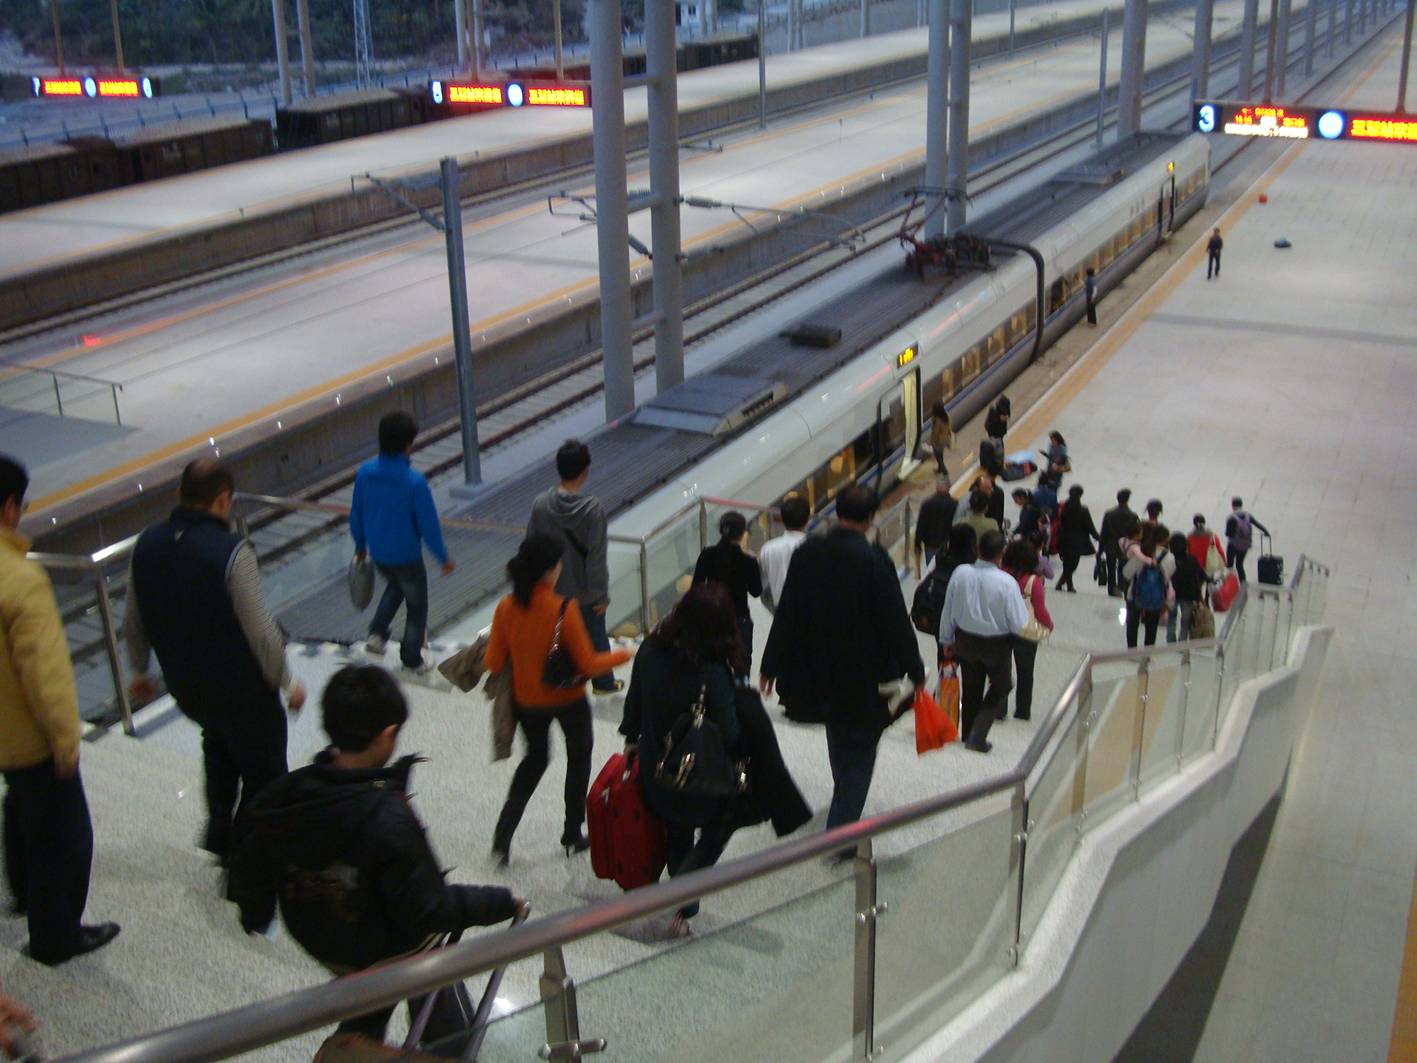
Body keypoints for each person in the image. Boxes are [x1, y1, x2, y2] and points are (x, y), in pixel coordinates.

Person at [227, 665, 523, 1058]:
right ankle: (452, 1048)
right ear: (386, 735)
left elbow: (250, 873)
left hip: (328, 942)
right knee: (430, 971)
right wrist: (500, 902)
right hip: (391, 948)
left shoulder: (291, 796)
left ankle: (358, 1039)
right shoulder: (386, 817)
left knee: (367, 990)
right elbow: (430, 910)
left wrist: (260, 913)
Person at [126, 459, 305, 865]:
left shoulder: (147, 544)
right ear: (223, 500)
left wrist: (139, 672)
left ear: (180, 496)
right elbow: (260, 631)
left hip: (189, 690)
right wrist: (287, 682)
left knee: (218, 742)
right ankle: (248, 857)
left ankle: (219, 831)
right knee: (265, 774)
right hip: (243, 693)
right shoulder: (232, 553)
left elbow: (132, 621)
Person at [0, 456, 120, 966]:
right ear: (9, 507)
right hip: (28, 738)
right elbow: (45, 678)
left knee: (21, 805)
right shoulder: (20, 580)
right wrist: (65, 742)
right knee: (66, 837)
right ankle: (54, 938)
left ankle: (24, 894)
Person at [760, 484, 924, 830]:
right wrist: (916, 669)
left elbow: (789, 611)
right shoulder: (874, 560)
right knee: (861, 752)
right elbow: (896, 620)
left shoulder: (808, 553)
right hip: (865, 676)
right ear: (870, 519)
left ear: (835, 512)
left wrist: (769, 665)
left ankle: (842, 802)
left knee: (838, 734)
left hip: (819, 670)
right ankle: (840, 831)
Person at [485, 536, 632, 865]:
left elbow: (494, 663)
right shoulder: (562, 609)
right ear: (549, 572)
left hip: (526, 702)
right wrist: (623, 654)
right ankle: (571, 833)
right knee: (578, 760)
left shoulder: (505, 607)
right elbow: (589, 665)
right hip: (568, 701)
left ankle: (502, 840)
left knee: (534, 762)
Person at [619, 584, 742, 938]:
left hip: (655, 766)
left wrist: (631, 740)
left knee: (676, 829)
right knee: (720, 822)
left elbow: (634, 705)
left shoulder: (650, 648)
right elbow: (730, 732)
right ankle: (685, 899)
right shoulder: (713, 671)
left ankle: (677, 896)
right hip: (695, 777)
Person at [350, 412, 454, 674]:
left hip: (379, 553)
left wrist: (360, 544)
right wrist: (443, 558)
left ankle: (376, 633)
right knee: (416, 606)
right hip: (407, 555)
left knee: (396, 587)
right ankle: (411, 657)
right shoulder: (414, 482)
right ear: (408, 444)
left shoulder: (365, 473)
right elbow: (428, 527)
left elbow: (357, 512)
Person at [528, 440, 621, 694]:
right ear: (585, 472)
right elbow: (596, 557)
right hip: (585, 595)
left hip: (551, 592)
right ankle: (603, 684)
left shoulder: (540, 505)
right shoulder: (593, 509)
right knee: (596, 638)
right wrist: (601, 594)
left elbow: (530, 550)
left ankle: (551, 679)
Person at [938, 530, 1029, 753]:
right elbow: (1018, 623)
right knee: (1002, 685)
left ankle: (968, 732)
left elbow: (948, 608)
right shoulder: (1007, 583)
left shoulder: (961, 573)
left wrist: (946, 638)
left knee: (972, 687)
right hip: (996, 644)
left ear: (978, 549)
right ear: (1001, 554)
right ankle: (977, 735)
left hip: (965, 640)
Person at [692, 510, 762, 672]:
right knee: (741, 667)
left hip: (712, 617)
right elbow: (756, 591)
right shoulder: (748, 561)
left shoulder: (707, 555)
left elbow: (697, 587)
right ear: (742, 534)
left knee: (713, 666)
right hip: (739, 618)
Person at [1001, 538, 1053, 722]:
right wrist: (1049, 625)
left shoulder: (1001, 575)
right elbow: (1039, 610)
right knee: (1025, 672)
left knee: (1001, 670)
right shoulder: (1033, 582)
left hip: (1002, 629)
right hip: (1026, 632)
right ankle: (1022, 710)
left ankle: (999, 708)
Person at [1122, 523, 1175, 648]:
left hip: (1135, 593)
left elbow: (1127, 573)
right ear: (1166, 539)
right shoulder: (1169, 557)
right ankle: (1147, 653)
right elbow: (1169, 576)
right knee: (1151, 626)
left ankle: (1132, 650)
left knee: (1132, 623)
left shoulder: (1142, 551)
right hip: (1156, 596)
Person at [759, 496, 809, 613]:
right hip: (810, 610)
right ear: (808, 518)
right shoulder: (817, 546)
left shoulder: (768, 548)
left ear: (782, 519)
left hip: (780, 609)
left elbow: (763, 585)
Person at [1056, 484, 1100, 592]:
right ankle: (1060, 584)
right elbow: (1090, 527)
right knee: (1072, 566)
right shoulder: (1083, 510)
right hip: (1077, 543)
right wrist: (1098, 537)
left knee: (1067, 564)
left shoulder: (1064, 508)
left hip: (1064, 540)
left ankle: (1069, 586)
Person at [1167, 533, 1206, 642]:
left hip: (1172, 594)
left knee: (1172, 617)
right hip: (1188, 595)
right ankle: (1182, 641)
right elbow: (1201, 575)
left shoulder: (1169, 559)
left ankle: (1170, 639)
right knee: (1185, 621)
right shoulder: (1192, 559)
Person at [913, 481, 958, 575]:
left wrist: (917, 544)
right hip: (949, 545)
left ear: (937, 488)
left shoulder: (927, 504)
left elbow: (920, 526)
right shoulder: (955, 504)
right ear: (949, 488)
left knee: (932, 572)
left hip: (930, 545)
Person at [1099, 488, 1135, 597]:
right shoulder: (1132, 515)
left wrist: (1100, 549)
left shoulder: (1109, 514)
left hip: (1111, 545)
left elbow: (1104, 532)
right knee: (1123, 568)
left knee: (1111, 568)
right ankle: (1121, 586)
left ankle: (1111, 588)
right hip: (1125, 546)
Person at [1225, 497, 1270, 584]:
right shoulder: (1248, 515)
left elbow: (1228, 534)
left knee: (1230, 565)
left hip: (1233, 545)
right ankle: (1243, 584)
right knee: (1239, 565)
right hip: (1245, 545)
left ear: (1232, 506)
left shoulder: (1231, 518)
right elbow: (1257, 524)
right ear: (1241, 505)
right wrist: (1266, 532)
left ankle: (1230, 584)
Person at [1187, 513, 1227, 578]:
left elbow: (1187, 551)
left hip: (1195, 565)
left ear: (1194, 524)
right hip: (1209, 564)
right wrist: (1224, 561)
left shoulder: (1189, 537)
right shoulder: (1212, 536)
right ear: (1204, 522)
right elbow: (1219, 549)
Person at [926, 401, 954, 479]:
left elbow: (935, 432)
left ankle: (944, 471)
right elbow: (949, 427)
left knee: (938, 456)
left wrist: (931, 442)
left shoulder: (937, 420)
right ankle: (939, 469)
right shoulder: (946, 415)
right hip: (946, 439)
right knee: (940, 454)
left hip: (939, 441)